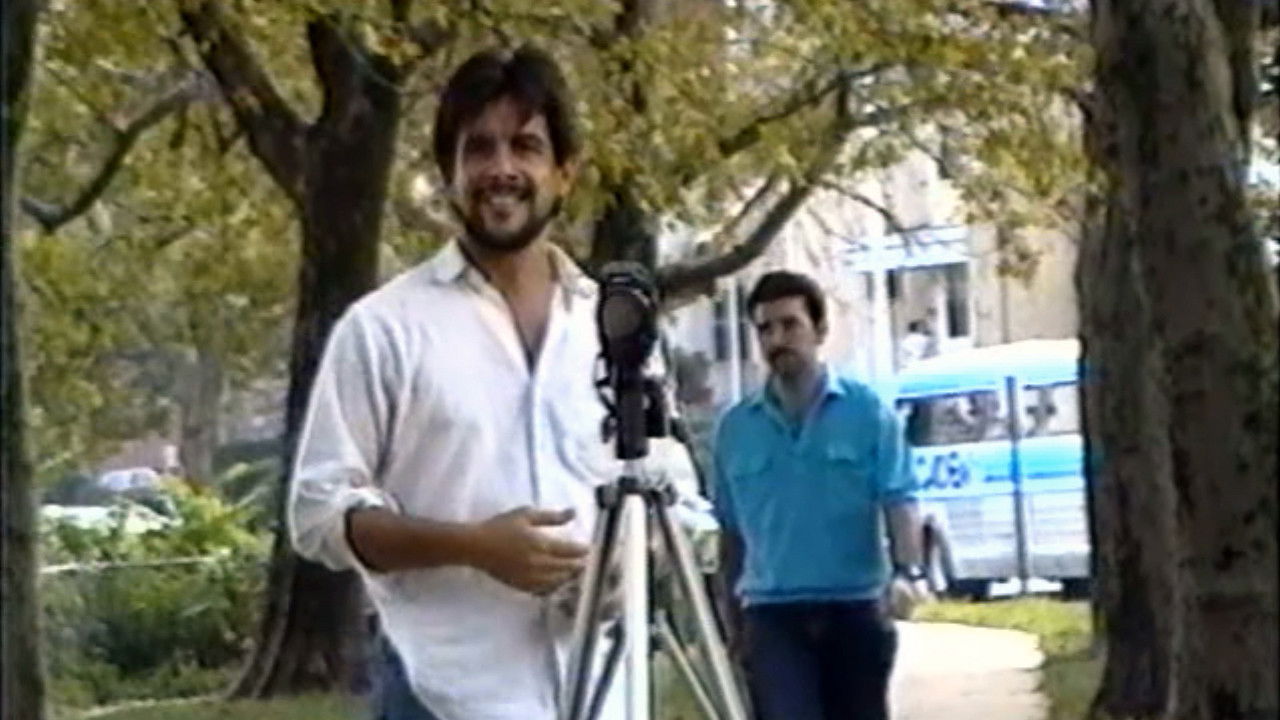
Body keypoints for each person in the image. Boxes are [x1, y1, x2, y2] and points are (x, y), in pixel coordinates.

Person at [288, 45, 616, 720]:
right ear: (450, 174)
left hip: (601, 694)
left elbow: (674, 496)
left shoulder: (612, 329)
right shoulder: (383, 329)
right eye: (479, 148)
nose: (502, 169)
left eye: (525, 146)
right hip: (443, 698)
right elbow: (317, 514)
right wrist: (474, 547)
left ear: (565, 173)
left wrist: (627, 568)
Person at [712, 270, 929, 720]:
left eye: (790, 324)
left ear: (820, 330)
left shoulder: (867, 414)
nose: (778, 339)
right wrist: (730, 621)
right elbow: (730, 532)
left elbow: (899, 498)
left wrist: (907, 572)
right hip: (772, 615)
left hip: (854, 607)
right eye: (765, 329)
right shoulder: (735, 430)